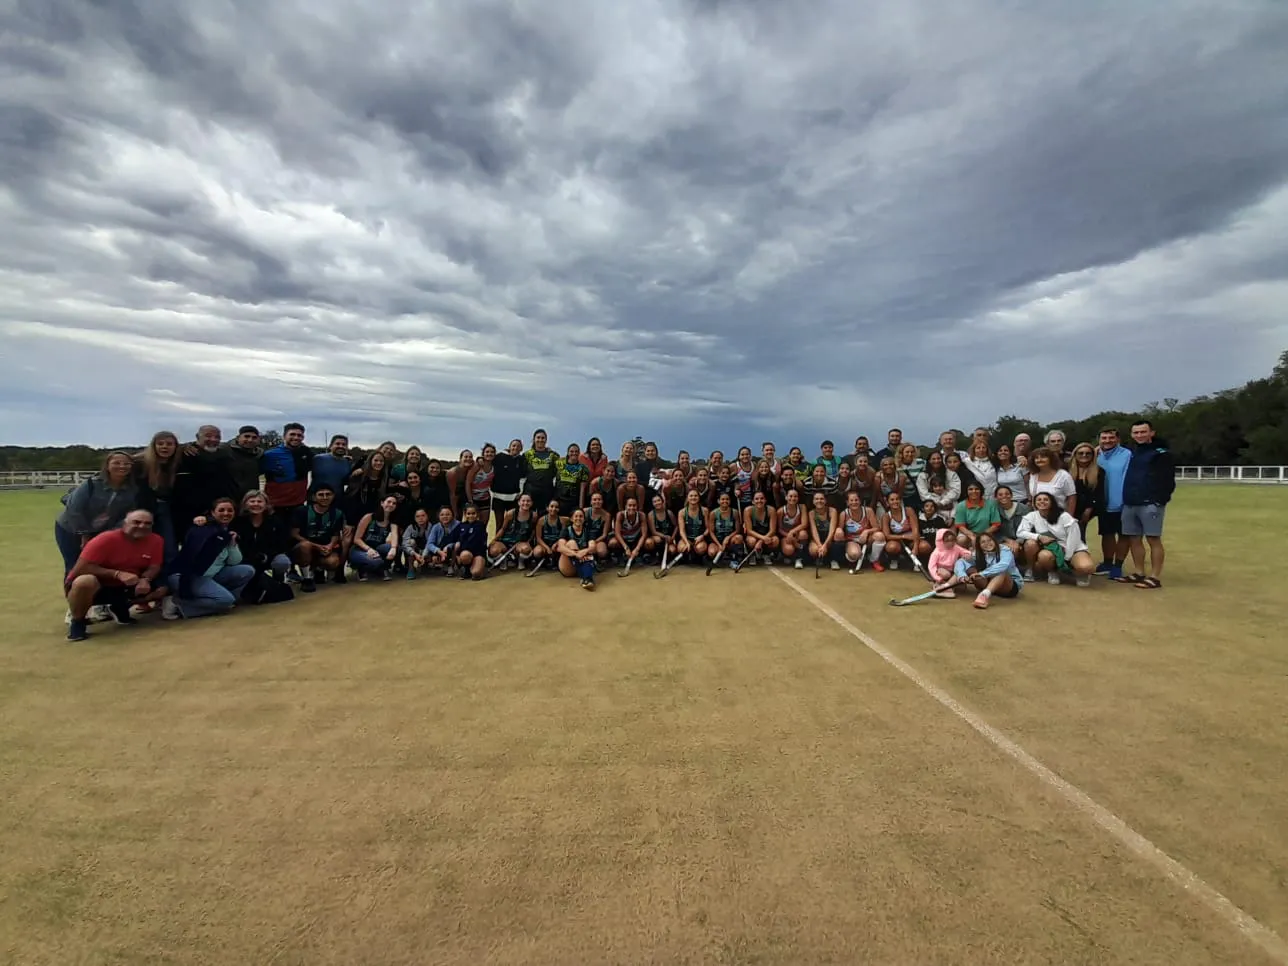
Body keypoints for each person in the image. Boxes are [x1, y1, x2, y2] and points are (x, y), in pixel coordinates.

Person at [63, 509, 170, 642]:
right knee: (85, 581)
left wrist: (145, 579)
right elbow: (81, 568)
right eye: (136, 522)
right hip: (98, 586)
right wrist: (116, 574)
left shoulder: (156, 540)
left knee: (163, 588)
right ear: (125, 524)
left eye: (147, 524)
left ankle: (120, 607)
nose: (142, 526)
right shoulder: (106, 539)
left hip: (128, 585)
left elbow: (154, 566)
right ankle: (78, 622)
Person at [166, 497, 257, 619]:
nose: (226, 513)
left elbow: (234, 561)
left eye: (230, 510)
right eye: (221, 510)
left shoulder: (226, 533)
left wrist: (232, 544)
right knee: (225, 600)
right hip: (188, 576)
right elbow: (192, 554)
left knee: (247, 570)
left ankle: (218, 600)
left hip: (211, 576)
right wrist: (206, 521)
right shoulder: (202, 529)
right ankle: (177, 604)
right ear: (213, 513)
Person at [55, 451, 140, 575]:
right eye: (117, 463)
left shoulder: (132, 490)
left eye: (126, 464)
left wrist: (110, 536)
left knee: (95, 565)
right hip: (71, 528)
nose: (122, 466)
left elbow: (127, 516)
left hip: (100, 531)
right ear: (107, 466)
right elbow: (74, 509)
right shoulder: (91, 484)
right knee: (74, 565)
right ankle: (73, 592)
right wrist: (85, 535)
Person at [1117, 420, 1175, 590]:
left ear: (1152, 433)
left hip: (1150, 503)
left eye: (1143, 432)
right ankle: (1139, 572)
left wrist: (1159, 500)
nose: (1139, 435)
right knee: (1134, 539)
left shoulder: (1161, 453)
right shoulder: (1133, 452)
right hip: (1130, 502)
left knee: (1153, 539)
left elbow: (1168, 481)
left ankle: (1155, 576)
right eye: (1136, 433)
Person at [1017, 492, 1095, 586]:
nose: (1042, 502)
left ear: (1052, 502)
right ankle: (1053, 571)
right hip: (1052, 549)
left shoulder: (1064, 516)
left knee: (1086, 567)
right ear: (1034, 503)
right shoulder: (1032, 515)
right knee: (1044, 556)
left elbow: (1074, 538)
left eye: (1046, 499)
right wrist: (1039, 537)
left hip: (1072, 548)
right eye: (1039, 500)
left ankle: (1080, 573)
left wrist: (1067, 556)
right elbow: (1020, 532)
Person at [173, 426, 236, 543]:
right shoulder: (186, 455)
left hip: (217, 510)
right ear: (197, 437)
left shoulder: (224, 456)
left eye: (217, 437)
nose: (213, 439)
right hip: (189, 511)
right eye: (208, 436)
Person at [290, 485, 350, 592]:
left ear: (333, 496)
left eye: (328, 494)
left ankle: (318, 569)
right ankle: (307, 578)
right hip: (304, 547)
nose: (325, 497)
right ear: (314, 497)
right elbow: (294, 534)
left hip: (324, 547)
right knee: (305, 546)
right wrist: (316, 546)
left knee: (333, 562)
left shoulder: (337, 513)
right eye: (321, 495)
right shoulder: (302, 511)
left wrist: (330, 546)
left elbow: (336, 534)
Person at [942, 531, 1024, 609]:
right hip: (987, 582)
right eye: (983, 542)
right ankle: (946, 587)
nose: (987, 544)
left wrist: (982, 574)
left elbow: (1003, 565)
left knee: (1001, 571)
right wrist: (961, 575)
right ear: (979, 545)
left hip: (1008, 587)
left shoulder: (1005, 550)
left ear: (994, 540)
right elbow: (960, 562)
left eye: (989, 540)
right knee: (968, 567)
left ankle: (984, 595)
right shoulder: (978, 553)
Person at [133, 431, 180, 565]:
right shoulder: (140, 463)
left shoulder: (177, 464)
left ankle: (167, 580)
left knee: (169, 547)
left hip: (167, 508)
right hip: (143, 509)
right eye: (160, 444)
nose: (165, 447)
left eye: (169, 444)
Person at [1094, 427, 1133, 578]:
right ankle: (1107, 563)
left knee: (1124, 535)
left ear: (1118, 439)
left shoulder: (1126, 454)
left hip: (1124, 502)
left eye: (1111, 438)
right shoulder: (1096, 454)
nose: (1107, 441)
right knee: (1107, 534)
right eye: (1104, 438)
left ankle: (1118, 566)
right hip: (1104, 502)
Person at [233, 490, 294, 580]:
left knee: (283, 562)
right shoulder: (238, 522)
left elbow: (282, 544)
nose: (256, 504)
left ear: (266, 505)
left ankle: (278, 580)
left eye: (259, 501)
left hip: (269, 556)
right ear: (245, 504)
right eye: (252, 501)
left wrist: (266, 556)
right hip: (245, 558)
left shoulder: (275, 521)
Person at [261, 423, 313, 522]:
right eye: (292, 434)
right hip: (276, 505)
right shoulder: (270, 455)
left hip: (298, 504)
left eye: (299, 435)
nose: (296, 438)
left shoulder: (307, 453)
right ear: (284, 436)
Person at [350, 495, 400, 581]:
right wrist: (368, 549)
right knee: (376, 561)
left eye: (394, 503)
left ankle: (382, 568)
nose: (391, 504)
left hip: (377, 549)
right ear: (382, 503)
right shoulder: (369, 517)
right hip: (361, 549)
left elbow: (395, 536)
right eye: (388, 502)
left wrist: (393, 548)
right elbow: (356, 539)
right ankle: (362, 569)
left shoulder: (393, 521)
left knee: (396, 548)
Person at [835, 490, 882, 571]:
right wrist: (839, 531)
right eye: (851, 500)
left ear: (860, 501)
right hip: (852, 540)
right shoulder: (844, 514)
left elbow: (877, 528)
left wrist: (866, 531)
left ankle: (874, 560)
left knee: (879, 536)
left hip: (867, 538)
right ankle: (850, 558)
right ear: (847, 502)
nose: (854, 502)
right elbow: (840, 530)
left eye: (856, 500)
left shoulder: (868, 511)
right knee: (854, 554)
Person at [1026, 446, 1077, 515]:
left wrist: (1069, 518)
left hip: (1059, 516)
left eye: (1043, 457)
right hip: (1038, 517)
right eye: (1036, 458)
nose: (1040, 459)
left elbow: (1072, 497)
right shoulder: (1033, 476)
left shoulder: (1063, 475)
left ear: (1051, 459)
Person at [1068, 443, 1104, 540]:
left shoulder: (1099, 471)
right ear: (1075, 454)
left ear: (1093, 455)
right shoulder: (1067, 470)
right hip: (1069, 508)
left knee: (1080, 537)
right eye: (1081, 453)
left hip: (1088, 510)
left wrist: (1089, 509)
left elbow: (1098, 493)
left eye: (1088, 453)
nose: (1084, 455)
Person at [491, 493, 536, 568]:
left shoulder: (534, 515)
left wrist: (529, 541)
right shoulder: (510, 513)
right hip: (506, 542)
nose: (525, 503)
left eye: (528, 501)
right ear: (519, 502)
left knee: (526, 549)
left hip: (520, 543)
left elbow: (533, 530)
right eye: (523, 501)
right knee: (494, 550)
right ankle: (504, 560)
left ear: (532, 503)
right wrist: (494, 540)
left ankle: (519, 560)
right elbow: (503, 528)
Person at [558, 508, 598, 589]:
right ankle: (586, 577)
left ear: (584, 519)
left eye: (581, 516)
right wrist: (576, 554)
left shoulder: (588, 531)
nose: (578, 518)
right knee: (571, 543)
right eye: (576, 516)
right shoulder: (566, 530)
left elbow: (593, 547)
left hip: (583, 563)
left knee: (588, 555)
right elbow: (560, 547)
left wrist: (583, 552)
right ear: (572, 519)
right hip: (568, 566)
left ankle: (587, 579)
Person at [348, 451, 392, 522]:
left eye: (381, 461)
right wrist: (350, 522)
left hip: (375, 516)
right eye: (376, 460)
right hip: (357, 516)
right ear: (370, 461)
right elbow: (351, 499)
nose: (379, 463)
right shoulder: (360, 476)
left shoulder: (384, 478)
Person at [927, 527, 974, 595]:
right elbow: (931, 566)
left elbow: (965, 551)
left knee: (962, 588)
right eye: (947, 541)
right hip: (940, 571)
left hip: (953, 570)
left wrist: (967, 554)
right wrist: (937, 577)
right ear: (941, 541)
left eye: (952, 540)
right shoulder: (936, 552)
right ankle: (938, 584)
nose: (951, 543)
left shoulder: (956, 547)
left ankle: (949, 584)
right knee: (946, 574)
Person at [881, 491, 920, 569]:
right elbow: (887, 536)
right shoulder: (886, 516)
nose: (895, 501)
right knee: (891, 547)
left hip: (912, 539)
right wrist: (904, 536)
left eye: (897, 499)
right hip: (897, 540)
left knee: (924, 547)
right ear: (887, 502)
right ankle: (894, 559)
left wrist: (916, 547)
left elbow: (915, 530)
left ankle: (916, 560)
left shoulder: (909, 511)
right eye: (892, 500)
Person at [490, 439, 526, 524]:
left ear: (521, 449)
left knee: (511, 524)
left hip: (513, 498)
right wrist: (479, 459)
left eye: (518, 446)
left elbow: (523, 477)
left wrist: (520, 492)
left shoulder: (521, 460)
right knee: (499, 524)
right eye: (513, 445)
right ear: (509, 447)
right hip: (498, 497)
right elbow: (487, 460)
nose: (516, 448)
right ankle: (497, 538)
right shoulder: (499, 457)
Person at [522, 429, 559, 510]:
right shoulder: (527, 454)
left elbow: (558, 471)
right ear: (534, 439)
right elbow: (521, 472)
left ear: (546, 440)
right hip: (530, 490)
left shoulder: (553, 455)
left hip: (547, 490)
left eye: (543, 438)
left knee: (544, 515)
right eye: (538, 437)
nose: (540, 440)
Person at [224, 425, 263, 503]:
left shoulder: (259, 455)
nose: (250, 440)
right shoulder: (225, 450)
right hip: (229, 499)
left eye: (254, 437)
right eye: (246, 436)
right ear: (238, 438)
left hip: (250, 499)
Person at [741, 490, 778, 564]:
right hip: (753, 536)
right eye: (756, 499)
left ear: (765, 500)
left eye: (762, 498)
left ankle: (766, 554)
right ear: (753, 501)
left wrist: (761, 541)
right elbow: (749, 530)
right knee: (752, 541)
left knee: (775, 540)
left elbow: (772, 530)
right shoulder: (748, 510)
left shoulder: (771, 510)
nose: (759, 501)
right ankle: (752, 555)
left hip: (767, 535)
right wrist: (762, 538)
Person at [706, 490, 742, 567]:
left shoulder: (734, 512)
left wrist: (728, 537)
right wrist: (719, 545)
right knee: (711, 552)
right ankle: (725, 559)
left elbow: (737, 530)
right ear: (718, 501)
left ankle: (734, 558)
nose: (725, 501)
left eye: (727, 499)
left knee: (738, 538)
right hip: (717, 540)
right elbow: (711, 532)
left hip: (730, 540)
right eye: (722, 499)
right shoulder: (713, 513)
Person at [454, 504, 489, 580]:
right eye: (468, 514)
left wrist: (461, 544)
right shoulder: (461, 525)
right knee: (464, 555)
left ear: (477, 514)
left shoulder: (480, 525)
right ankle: (467, 570)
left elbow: (477, 542)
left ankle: (482, 566)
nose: (471, 516)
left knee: (476, 574)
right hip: (466, 553)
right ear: (465, 514)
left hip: (478, 553)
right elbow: (452, 537)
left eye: (473, 513)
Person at [776, 487, 809, 568]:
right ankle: (787, 556)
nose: (793, 498)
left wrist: (792, 532)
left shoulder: (802, 507)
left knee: (803, 534)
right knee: (788, 550)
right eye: (790, 496)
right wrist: (789, 535)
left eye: (795, 496)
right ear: (786, 497)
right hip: (785, 535)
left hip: (797, 534)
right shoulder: (780, 511)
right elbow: (779, 529)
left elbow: (804, 524)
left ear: (798, 498)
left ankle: (799, 558)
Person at [467, 444, 497, 530]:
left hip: (485, 498)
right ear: (483, 453)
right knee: (471, 525)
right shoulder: (477, 465)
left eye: (492, 452)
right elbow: (468, 483)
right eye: (487, 452)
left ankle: (482, 543)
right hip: (473, 499)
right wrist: (470, 499)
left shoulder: (494, 467)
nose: (489, 454)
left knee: (483, 525)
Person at [554, 443, 589, 516]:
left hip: (573, 501)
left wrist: (581, 508)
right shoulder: (559, 463)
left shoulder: (583, 468)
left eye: (576, 452)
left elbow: (582, 489)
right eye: (572, 451)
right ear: (567, 452)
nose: (574, 453)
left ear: (579, 453)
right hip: (559, 500)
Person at [807, 490, 839, 570]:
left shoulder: (832, 511)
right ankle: (819, 559)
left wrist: (825, 545)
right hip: (818, 537)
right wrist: (819, 545)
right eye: (816, 499)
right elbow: (814, 531)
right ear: (813, 501)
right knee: (814, 550)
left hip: (829, 538)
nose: (819, 501)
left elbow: (832, 530)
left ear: (825, 500)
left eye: (821, 499)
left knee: (839, 534)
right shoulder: (811, 513)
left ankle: (834, 559)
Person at [676, 489, 709, 564]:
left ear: (699, 497)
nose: (693, 498)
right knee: (681, 548)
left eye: (695, 496)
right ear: (687, 498)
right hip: (687, 538)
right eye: (691, 496)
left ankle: (698, 558)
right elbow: (681, 530)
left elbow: (708, 529)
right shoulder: (682, 512)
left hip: (699, 538)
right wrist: (686, 542)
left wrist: (702, 536)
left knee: (701, 548)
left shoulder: (704, 510)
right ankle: (687, 557)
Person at [994, 485, 1029, 553]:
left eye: (1007, 494)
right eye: (1000, 495)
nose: (1004, 496)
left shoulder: (1024, 508)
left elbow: (1029, 528)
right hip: (1003, 541)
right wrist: (1008, 541)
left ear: (1011, 495)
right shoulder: (994, 510)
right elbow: (995, 531)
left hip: (1023, 539)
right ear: (996, 497)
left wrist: (1018, 541)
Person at [426, 506, 461, 574]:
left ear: (452, 515)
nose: (445, 516)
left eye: (448, 514)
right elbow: (429, 544)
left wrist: (449, 546)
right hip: (440, 549)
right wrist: (439, 551)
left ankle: (452, 565)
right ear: (438, 516)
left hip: (454, 550)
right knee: (427, 555)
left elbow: (460, 540)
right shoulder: (436, 527)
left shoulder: (459, 525)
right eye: (442, 515)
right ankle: (442, 564)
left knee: (456, 546)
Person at [401, 507, 434, 579]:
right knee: (411, 542)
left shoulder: (431, 527)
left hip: (426, 550)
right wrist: (415, 554)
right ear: (415, 518)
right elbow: (404, 544)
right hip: (413, 551)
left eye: (423, 515)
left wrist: (424, 554)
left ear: (427, 516)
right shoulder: (410, 527)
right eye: (418, 516)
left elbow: (431, 543)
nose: (420, 518)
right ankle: (411, 569)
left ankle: (425, 564)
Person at [614, 495, 646, 566]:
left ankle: (639, 556)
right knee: (613, 542)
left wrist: (637, 548)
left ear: (637, 506)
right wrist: (626, 548)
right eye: (629, 505)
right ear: (625, 506)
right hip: (624, 540)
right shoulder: (620, 515)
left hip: (635, 539)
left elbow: (644, 535)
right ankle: (620, 557)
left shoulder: (641, 515)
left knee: (649, 543)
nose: (632, 507)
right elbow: (617, 533)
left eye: (634, 505)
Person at [533, 499, 566, 569]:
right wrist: (547, 548)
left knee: (563, 549)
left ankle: (556, 562)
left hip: (556, 544)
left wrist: (556, 543)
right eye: (551, 506)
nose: (554, 509)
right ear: (547, 508)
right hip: (544, 543)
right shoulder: (541, 520)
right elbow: (538, 538)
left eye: (556, 507)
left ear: (559, 509)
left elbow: (563, 536)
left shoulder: (562, 521)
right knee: (537, 552)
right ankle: (543, 563)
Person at [446, 450, 476, 522]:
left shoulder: (472, 469)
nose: (468, 459)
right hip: (453, 499)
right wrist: (455, 512)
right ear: (460, 459)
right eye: (465, 457)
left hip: (465, 497)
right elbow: (452, 494)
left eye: (470, 457)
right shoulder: (452, 473)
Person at [586, 491, 614, 563]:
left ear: (602, 501)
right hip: (585, 538)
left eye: (599, 499)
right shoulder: (585, 511)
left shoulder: (607, 515)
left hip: (599, 539)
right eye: (594, 499)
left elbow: (604, 535)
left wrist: (594, 542)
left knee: (602, 552)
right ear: (591, 502)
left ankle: (598, 559)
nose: (597, 501)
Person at [646, 492, 676, 558]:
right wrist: (665, 536)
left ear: (662, 501)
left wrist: (672, 538)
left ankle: (665, 556)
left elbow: (676, 526)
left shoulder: (669, 512)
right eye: (655, 502)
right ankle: (655, 555)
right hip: (658, 537)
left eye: (658, 500)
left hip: (669, 538)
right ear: (652, 504)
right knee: (656, 540)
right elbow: (653, 531)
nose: (657, 503)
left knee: (672, 550)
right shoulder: (651, 514)